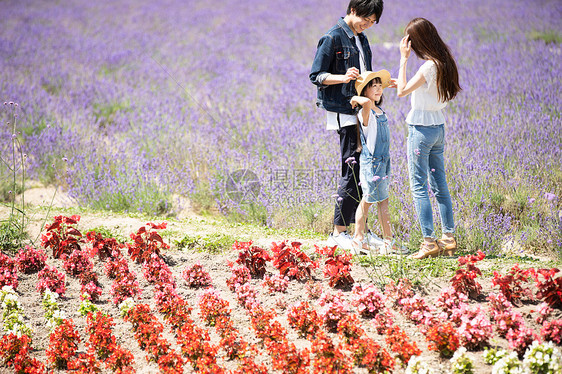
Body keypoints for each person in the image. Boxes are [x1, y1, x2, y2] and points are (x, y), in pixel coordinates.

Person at [310, 0, 385, 251]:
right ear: (353, 10)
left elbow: (367, 72)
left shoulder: (361, 38)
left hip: (363, 109)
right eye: (366, 19)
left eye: (373, 22)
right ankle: (338, 232)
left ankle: (360, 230)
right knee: (351, 169)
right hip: (344, 111)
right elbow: (316, 76)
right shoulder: (331, 38)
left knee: (365, 171)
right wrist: (343, 77)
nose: (368, 25)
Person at [396, 17, 461, 259]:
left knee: (419, 187)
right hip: (438, 128)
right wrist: (401, 84)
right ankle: (448, 238)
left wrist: (402, 59)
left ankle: (428, 242)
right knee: (440, 186)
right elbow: (415, 88)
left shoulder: (426, 66)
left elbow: (402, 92)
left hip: (421, 130)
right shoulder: (445, 62)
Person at [349, 70, 406, 255]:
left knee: (383, 201)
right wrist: (355, 98)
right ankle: (358, 238)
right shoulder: (364, 112)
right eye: (373, 86)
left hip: (384, 160)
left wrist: (384, 85)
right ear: (363, 91)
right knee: (367, 200)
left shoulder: (380, 110)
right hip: (371, 162)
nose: (378, 88)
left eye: (380, 85)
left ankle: (388, 241)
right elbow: (365, 102)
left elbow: (371, 98)